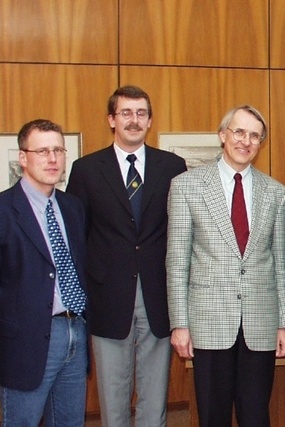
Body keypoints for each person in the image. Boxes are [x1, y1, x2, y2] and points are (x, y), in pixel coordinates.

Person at [66, 85, 187, 427]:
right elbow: (78, 236)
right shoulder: (86, 169)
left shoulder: (173, 167)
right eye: (126, 113)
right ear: (111, 119)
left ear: (149, 120)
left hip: (158, 295)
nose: (134, 121)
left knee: (155, 396)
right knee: (113, 395)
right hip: (107, 296)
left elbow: (182, 230)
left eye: (141, 113)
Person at [166, 105, 285, 427]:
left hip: (260, 324)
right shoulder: (186, 186)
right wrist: (179, 323)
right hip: (208, 322)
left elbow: (280, 263)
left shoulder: (276, 193)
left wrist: (284, 322)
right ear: (223, 135)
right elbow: (177, 260)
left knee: (256, 416)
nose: (245, 141)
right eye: (239, 132)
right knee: (212, 416)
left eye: (254, 135)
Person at [0, 119, 89, 426]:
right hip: (25, 343)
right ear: (23, 157)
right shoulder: (3, 210)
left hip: (74, 332)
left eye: (58, 150)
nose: (52, 159)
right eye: (42, 151)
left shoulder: (72, 207)